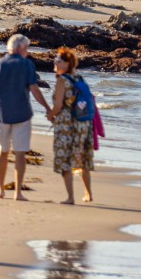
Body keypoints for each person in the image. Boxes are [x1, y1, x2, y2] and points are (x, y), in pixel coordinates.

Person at [0, 34, 51, 201]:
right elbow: (34, 89)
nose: (28, 52)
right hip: (22, 115)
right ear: (20, 49)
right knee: (19, 153)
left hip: (1, 114)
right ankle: (18, 192)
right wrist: (47, 108)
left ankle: (0, 189)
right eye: (27, 48)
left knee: (3, 151)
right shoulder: (26, 65)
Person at [48, 47, 95, 205]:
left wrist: (50, 114)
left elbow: (58, 105)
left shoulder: (62, 80)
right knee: (83, 159)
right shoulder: (79, 78)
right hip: (83, 123)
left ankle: (70, 197)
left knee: (65, 160)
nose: (55, 62)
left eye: (59, 60)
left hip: (66, 125)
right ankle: (88, 193)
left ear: (67, 64)